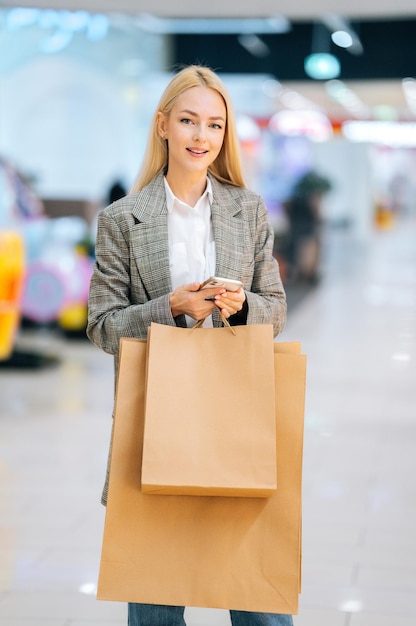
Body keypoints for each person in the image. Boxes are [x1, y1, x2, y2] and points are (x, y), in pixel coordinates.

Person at [87, 65, 290, 626]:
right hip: (155, 422)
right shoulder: (122, 221)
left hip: (236, 417)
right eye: (189, 121)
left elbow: (275, 311)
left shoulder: (248, 210)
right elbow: (103, 325)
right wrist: (171, 308)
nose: (202, 137)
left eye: (215, 125)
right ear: (163, 127)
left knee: (258, 598)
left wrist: (241, 303)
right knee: (155, 596)